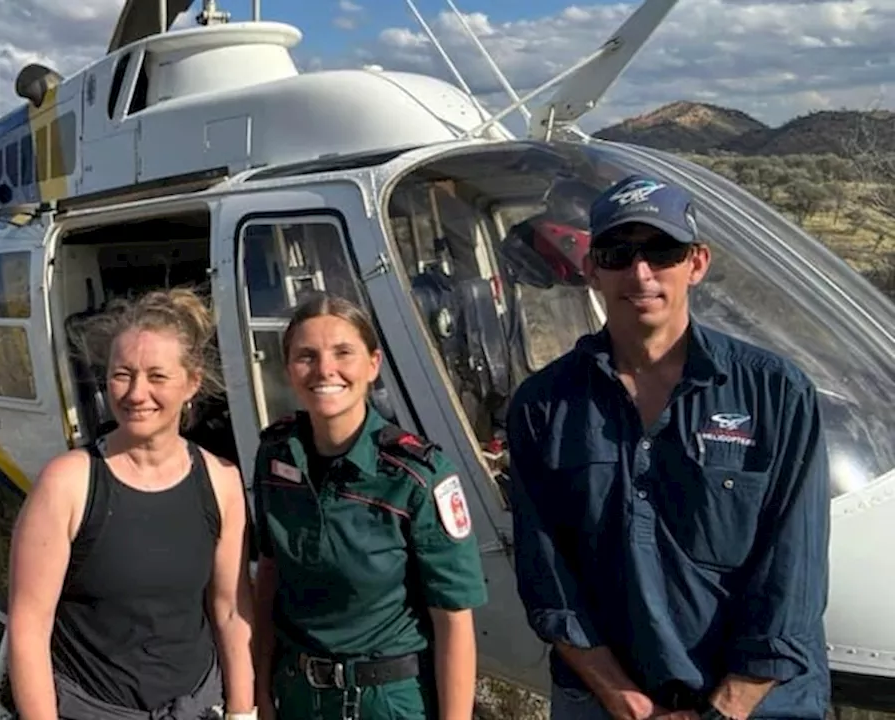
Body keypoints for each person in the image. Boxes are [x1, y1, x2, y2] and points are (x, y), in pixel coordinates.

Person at [505, 174, 831, 720]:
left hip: (757, 702)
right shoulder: (544, 405)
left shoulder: (777, 392)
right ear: (590, 269)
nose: (640, 273)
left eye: (662, 252)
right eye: (617, 253)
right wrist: (620, 696)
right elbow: (547, 575)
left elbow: (793, 571)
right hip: (607, 703)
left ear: (696, 263)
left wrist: (727, 706)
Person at [7, 287, 256, 720]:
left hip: (199, 707)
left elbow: (231, 611)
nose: (137, 393)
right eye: (122, 374)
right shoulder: (67, 484)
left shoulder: (221, 482)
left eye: (157, 376)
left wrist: (242, 712)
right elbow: (29, 628)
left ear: (191, 383)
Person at [252, 292, 489, 720]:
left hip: (389, 701)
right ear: (289, 369)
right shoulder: (275, 456)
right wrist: (260, 691)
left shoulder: (418, 477)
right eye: (307, 356)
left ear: (372, 365)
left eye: (343, 353)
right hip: (298, 696)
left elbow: (454, 621)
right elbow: (270, 573)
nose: (325, 369)